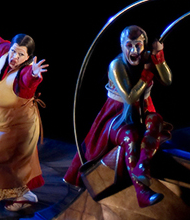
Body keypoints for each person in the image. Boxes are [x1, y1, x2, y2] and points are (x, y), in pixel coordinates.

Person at [64, 26, 172, 206]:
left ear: (144, 44)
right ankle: (142, 192)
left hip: (144, 109)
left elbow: (167, 80)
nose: (134, 51)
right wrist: (146, 75)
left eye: (138, 45)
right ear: (121, 46)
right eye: (129, 46)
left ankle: (141, 168)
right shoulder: (116, 66)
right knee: (131, 136)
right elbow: (129, 98)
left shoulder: (146, 58)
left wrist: (159, 57)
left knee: (156, 121)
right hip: (117, 116)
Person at [0, 19, 48, 212]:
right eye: (13, 50)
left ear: (29, 57)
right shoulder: (8, 55)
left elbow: (28, 82)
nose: (14, 56)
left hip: (18, 127)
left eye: (20, 54)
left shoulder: (24, 73)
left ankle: (22, 197)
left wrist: (35, 75)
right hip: (3, 121)